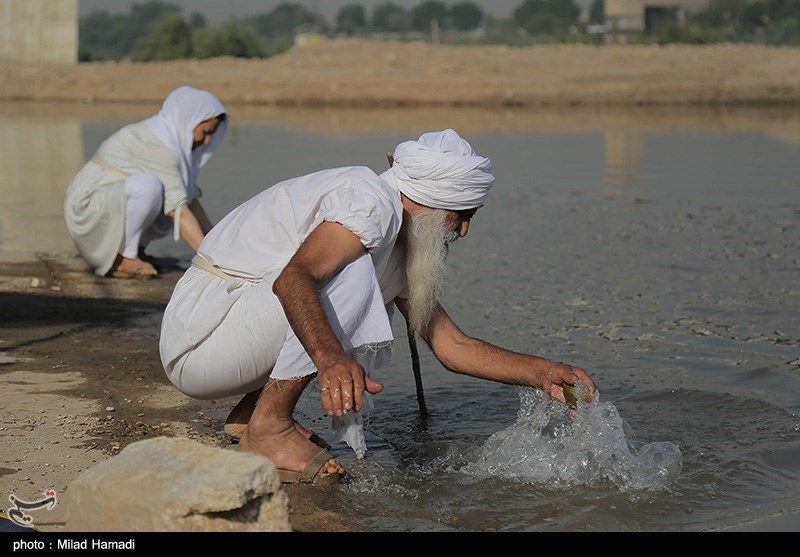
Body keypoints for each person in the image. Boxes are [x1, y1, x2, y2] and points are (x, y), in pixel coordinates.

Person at [159, 128, 596, 485]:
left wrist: (542, 373)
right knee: (351, 279)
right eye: (461, 215)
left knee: (357, 282)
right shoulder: (372, 203)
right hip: (200, 338)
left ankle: (252, 414)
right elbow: (293, 279)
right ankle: (269, 428)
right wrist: (330, 359)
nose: (463, 231)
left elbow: (452, 345)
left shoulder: (399, 238)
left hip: (227, 337)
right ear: (429, 199)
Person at [64, 85, 228, 279]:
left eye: (211, 134)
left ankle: (133, 250)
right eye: (206, 132)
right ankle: (125, 258)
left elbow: (190, 202)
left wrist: (221, 250)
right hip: (87, 211)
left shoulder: (173, 140)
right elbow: (179, 212)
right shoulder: (157, 142)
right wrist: (212, 264)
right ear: (189, 121)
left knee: (171, 194)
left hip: (109, 203)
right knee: (150, 187)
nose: (207, 141)